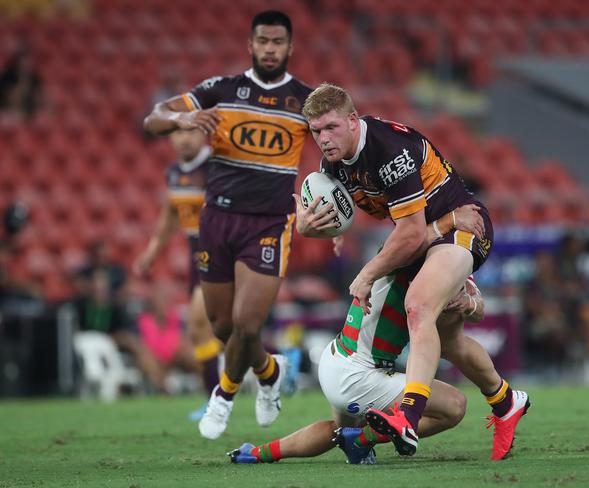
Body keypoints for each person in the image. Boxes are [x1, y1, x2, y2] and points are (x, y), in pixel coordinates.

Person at [294, 83, 530, 460]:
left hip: (462, 229)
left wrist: (368, 273)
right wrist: (309, 227)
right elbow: (333, 222)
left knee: (419, 307)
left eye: (331, 127)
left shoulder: (389, 151)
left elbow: (410, 234)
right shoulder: (333, 165)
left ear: (353, 121)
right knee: (448, 339)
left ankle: (408, 415)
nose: (323, 138)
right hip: (426, 239)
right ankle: (506, 402)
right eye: (316, 130)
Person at [143, 10, 313, 439]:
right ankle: (271, 372)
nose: (270, 49)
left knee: (247, 324)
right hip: (217, 219)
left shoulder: (305, 101)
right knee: (222, 327)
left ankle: (222, 397)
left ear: (290, 47)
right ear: (250, 45)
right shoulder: (219, 90)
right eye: (263, 41)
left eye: (277, 42)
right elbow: (154, 117)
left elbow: (342, 142)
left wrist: (334, 210)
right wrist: (182, 119)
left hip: (269, 223)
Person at [229, 208, 482, 464]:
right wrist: (450, 220)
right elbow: (416, 240)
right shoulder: (408, 250)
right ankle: (363, 439)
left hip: (338, 360)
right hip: (358, 374)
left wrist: (468, 302)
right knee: (455, 406)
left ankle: (256, 453)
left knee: (339, 432)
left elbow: (477, 307)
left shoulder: (429, 256)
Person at [133, 128, 222, 419]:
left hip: (220, 253)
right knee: (220, 331)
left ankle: (216, 402)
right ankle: (276, 361)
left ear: (204, 134)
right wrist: (151, 252)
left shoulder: (216, 167)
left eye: (192, 131)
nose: (184, 138)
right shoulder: (173, 173)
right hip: (195, 255)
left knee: (200, 325)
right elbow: (170, 215)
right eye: (178, 132)